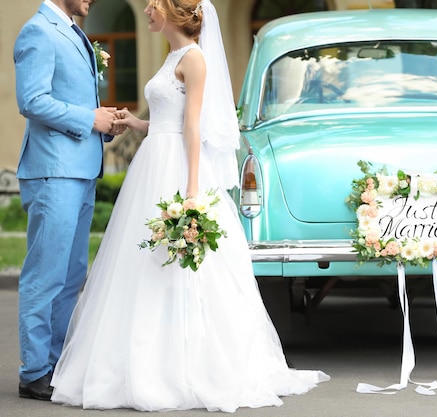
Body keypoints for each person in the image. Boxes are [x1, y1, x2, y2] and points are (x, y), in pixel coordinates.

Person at [50, 0, 330, 412]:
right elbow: (170, 119)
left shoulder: (195, 59)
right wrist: (135, 124)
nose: (146, 10)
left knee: (181, 265)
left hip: (178, 167)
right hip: (154, 162)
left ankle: (185, 363)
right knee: (141, 262)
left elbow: (193, 126)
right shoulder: (173, 56)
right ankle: (138, 358)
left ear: (172, 12)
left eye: (152, 5)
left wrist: (192, 189)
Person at [13, 0, 123, 401]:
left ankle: (55, 364)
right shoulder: (38, 31)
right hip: (53, 171)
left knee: (72, 273)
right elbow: (32, 100)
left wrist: (103, 121)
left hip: (81, 168)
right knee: (46, 274)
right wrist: (87, 119)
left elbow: (69, 99)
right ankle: (34, 371)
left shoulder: (72, 31)